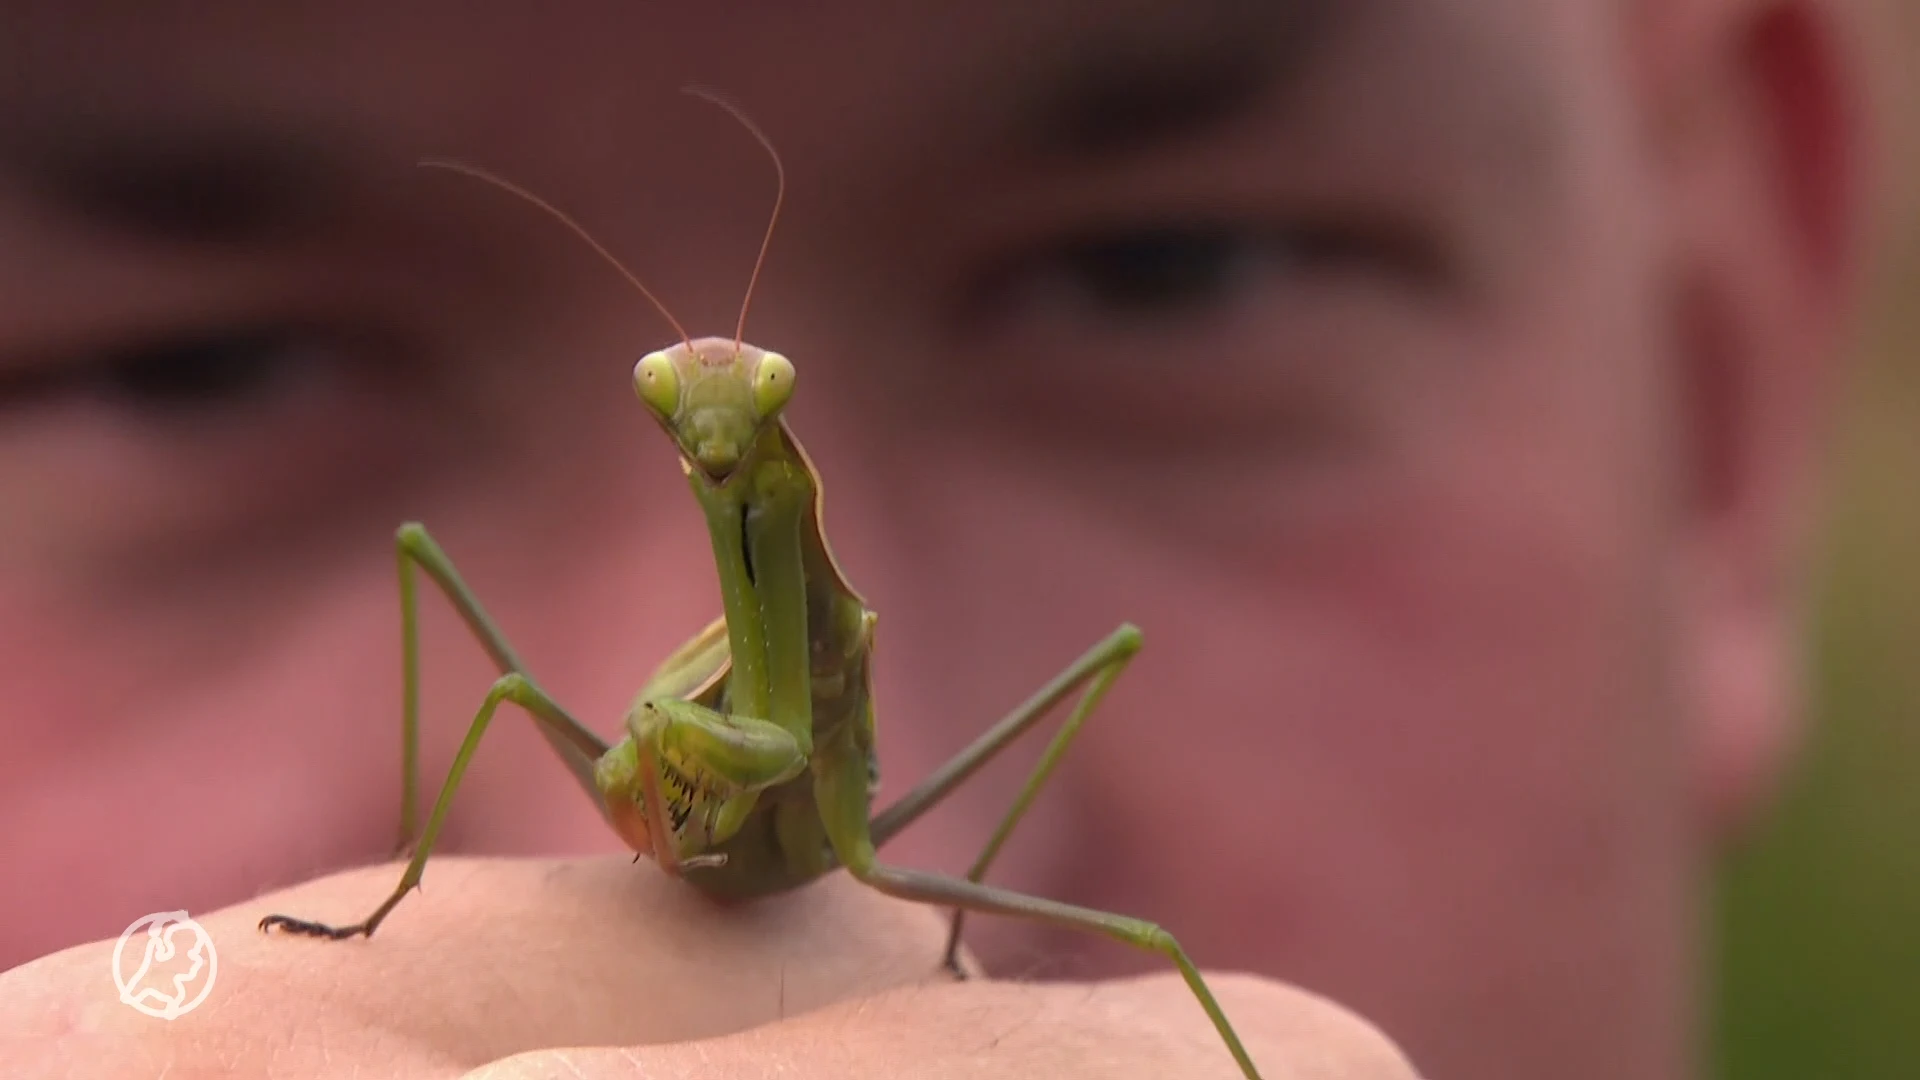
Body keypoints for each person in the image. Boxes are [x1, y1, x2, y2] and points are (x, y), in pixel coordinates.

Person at [0, 1, 1884, 1077]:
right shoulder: (675, 626)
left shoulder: (853, 642)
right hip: (747, 794)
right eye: (191, 367)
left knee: (1130, 937)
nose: (710, 449)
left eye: (1171, 269)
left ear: (1720, 360)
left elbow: (812, 791)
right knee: (481, 636)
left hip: (834, 826)